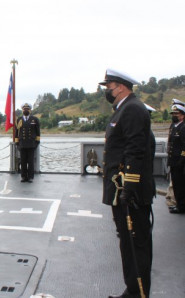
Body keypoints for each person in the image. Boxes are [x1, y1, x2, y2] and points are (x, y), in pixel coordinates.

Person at [99, 69, 154, 298]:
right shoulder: (122, 110)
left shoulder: (131, 109)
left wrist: (129, 188)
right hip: (120, 189)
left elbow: (136, 150)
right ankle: (131, 290)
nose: (107, 91)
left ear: (120, 86)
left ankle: (139, 293)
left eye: (109, 87)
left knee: (136, 246)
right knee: (127, 244)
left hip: (129, 191)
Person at [167, 103, 185, 213]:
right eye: (173, 113)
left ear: (182, 115)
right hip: (173, 160)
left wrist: (181, 160)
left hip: (180, 161)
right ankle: (179, 203)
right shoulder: (174, 126)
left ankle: (181, 206)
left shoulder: (183, 127)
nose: (174, 115)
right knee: (176, 184)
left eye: (176, 114)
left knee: (181, 185)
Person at [15, 103, 40, 182]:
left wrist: (37, 142)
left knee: (30, 162)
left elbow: (38, 132)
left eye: (27, 109)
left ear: (30, 110)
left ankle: (30, 177)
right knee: (23, 161)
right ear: (22, 110)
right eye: (24, 109)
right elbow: (17, 132)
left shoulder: (35, 119)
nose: (26, 110)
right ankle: (23, 176)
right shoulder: (19, 120)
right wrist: (17, 143)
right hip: (22, 144)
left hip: (31, 144)